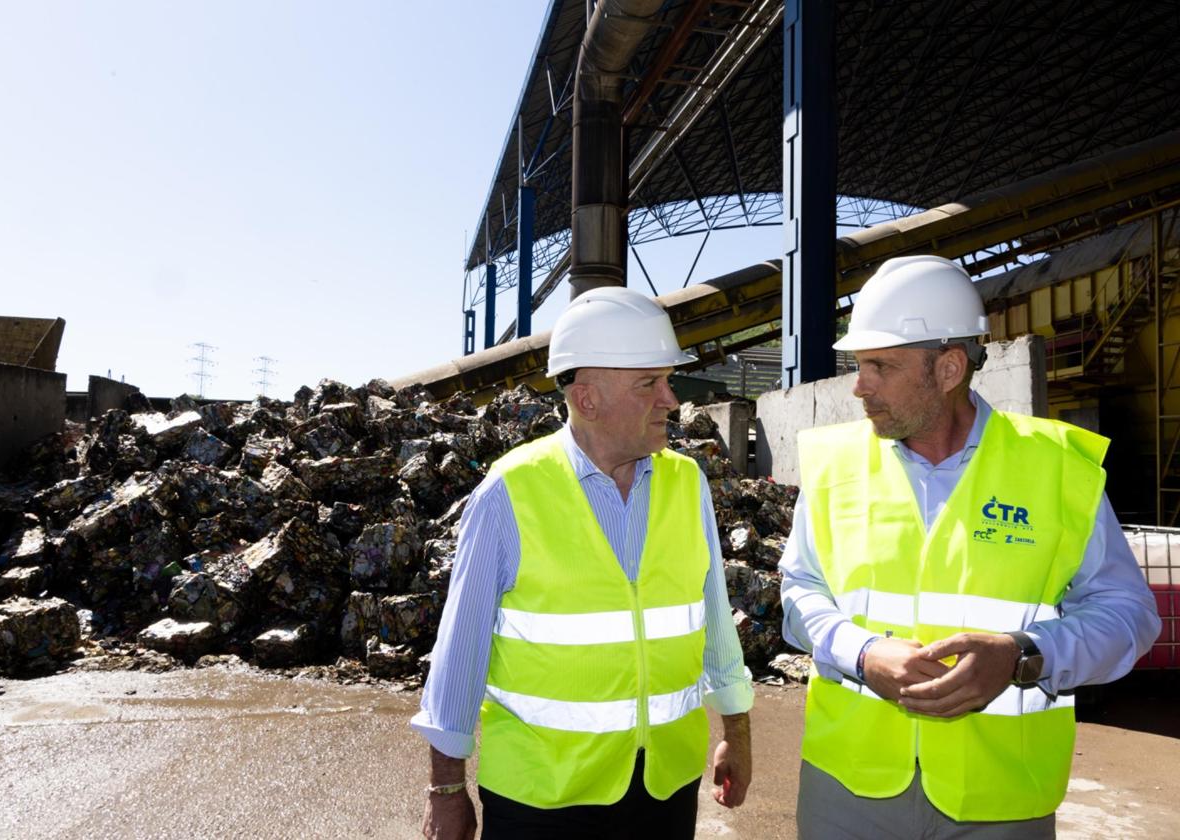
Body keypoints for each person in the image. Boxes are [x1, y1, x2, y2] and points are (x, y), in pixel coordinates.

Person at [780, 255, 1161, 839]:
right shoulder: (834, 466)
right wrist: (860, 653)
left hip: (1000, 797)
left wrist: (1023, 655)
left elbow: (1129, 617)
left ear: (949, 368)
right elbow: (800, 590)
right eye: (860, 366)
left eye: (880, 366)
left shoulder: (1059, 471)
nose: (859, 387)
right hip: (848, 788)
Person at [413, 286, 754, 840]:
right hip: (541, 799)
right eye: (651, 383)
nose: (672, 399)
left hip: (664, 790)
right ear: (587, 398)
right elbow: (461, 652)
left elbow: (714, 622)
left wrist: (736, 734)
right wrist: (446, 789)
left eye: (668, 380)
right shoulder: (511, 490)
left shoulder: (687, 484)